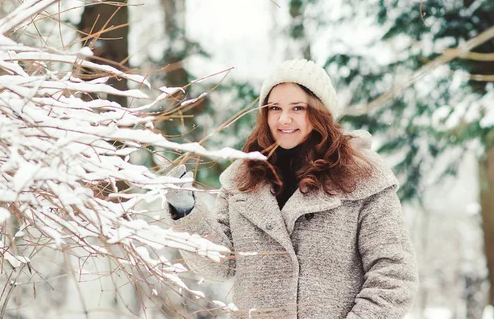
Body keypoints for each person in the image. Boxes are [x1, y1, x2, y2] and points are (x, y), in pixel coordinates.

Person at [165, 59, 418, 319]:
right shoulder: (243, 179)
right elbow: (221, 266)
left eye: (298, 107)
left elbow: (394, 275)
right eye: (275, 108)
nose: (284, 119)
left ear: (321, 113)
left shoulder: (363, 177)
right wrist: (187, 213)